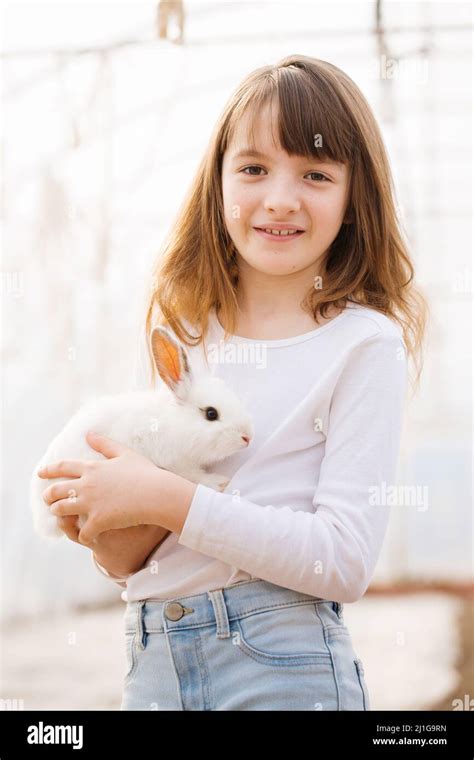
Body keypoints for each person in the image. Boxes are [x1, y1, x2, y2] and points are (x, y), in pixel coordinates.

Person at [39, 54, 427, 711]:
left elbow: (342, 559)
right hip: (155, 656)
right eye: (253, 169)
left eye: (315, 172)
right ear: (216, 182)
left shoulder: (364, 345)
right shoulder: (184, 336)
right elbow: (131, 554)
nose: (280, 198)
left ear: (354, 196)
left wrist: (166, 498)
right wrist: (98, 519)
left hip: (280, 661)